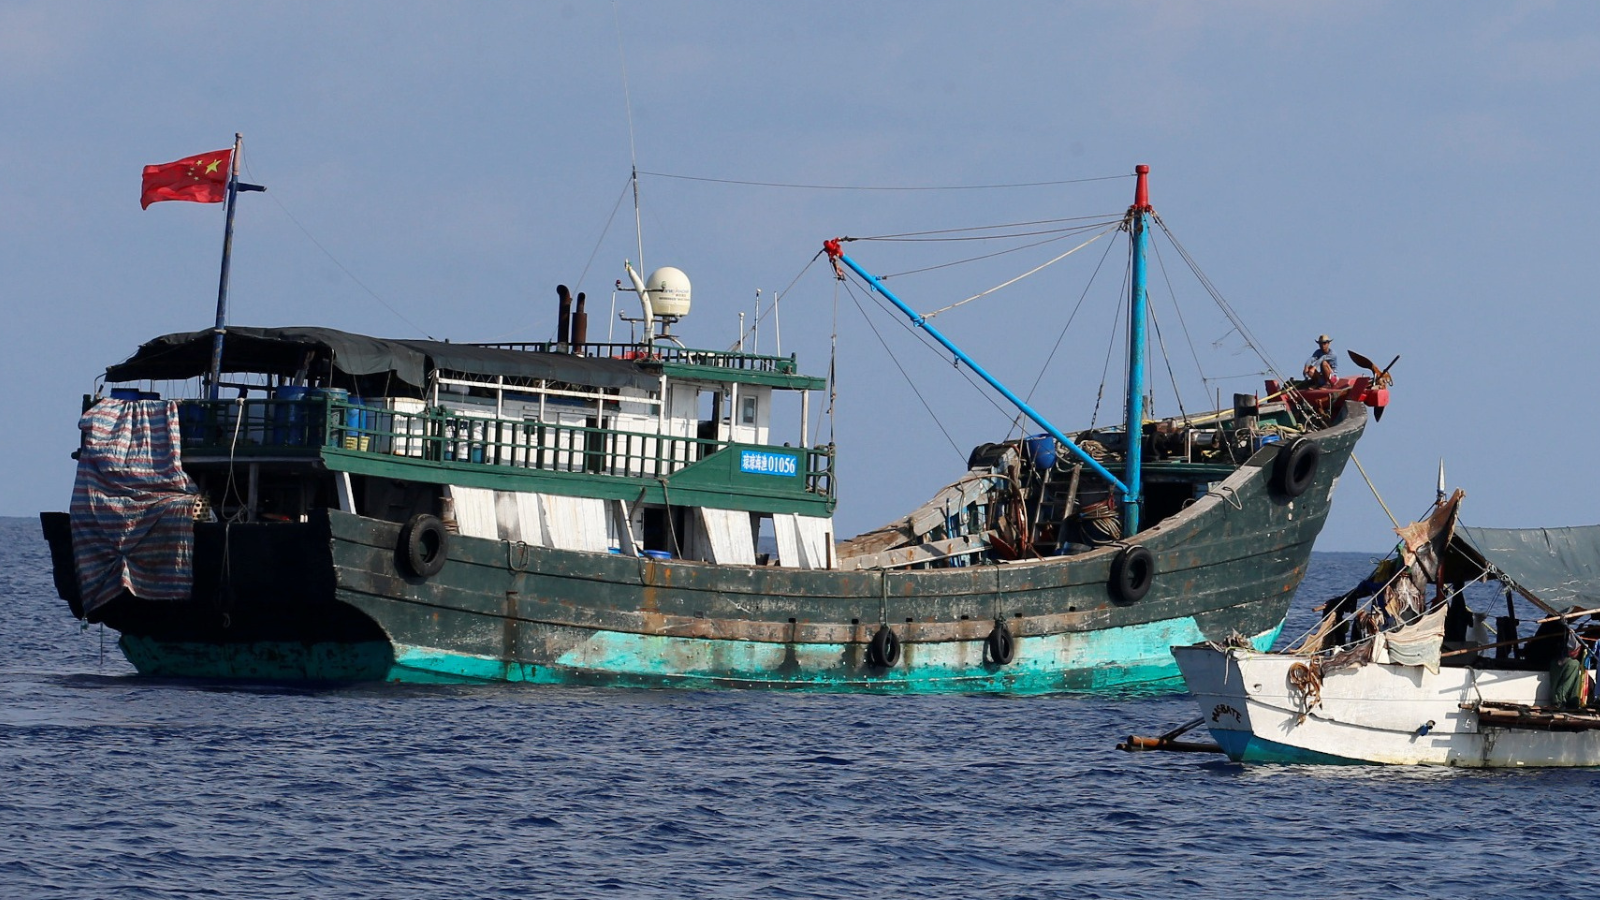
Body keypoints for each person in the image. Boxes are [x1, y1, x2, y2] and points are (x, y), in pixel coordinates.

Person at [1550, 637, 1586, 710]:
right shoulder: (1573, 663)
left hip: (1554, 697)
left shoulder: (1554, 662)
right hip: (1559, 700)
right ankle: (1563, 701)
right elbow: (1567, 682)